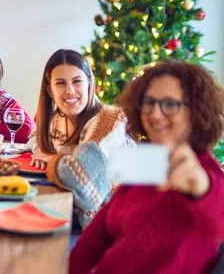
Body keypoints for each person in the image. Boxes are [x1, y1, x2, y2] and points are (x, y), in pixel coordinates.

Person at [70, 60, 224, 273]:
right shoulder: (147, 162)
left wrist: (200, 187)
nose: (155, 113)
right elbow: (98, 234)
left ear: (196, 111)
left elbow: (218, 224)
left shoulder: (205, 174)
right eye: (148, 102)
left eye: (170, 104)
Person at [28, 49, 134, 227]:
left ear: (89, 84)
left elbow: (80, 182)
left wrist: (53, 160)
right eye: (60, 83)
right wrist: (41, 150)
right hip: (72, 216)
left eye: (77, 81)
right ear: (50, 90)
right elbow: (34, 138)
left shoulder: (111, 120)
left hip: (113, 226)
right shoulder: (58, 119)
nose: (70, 91)